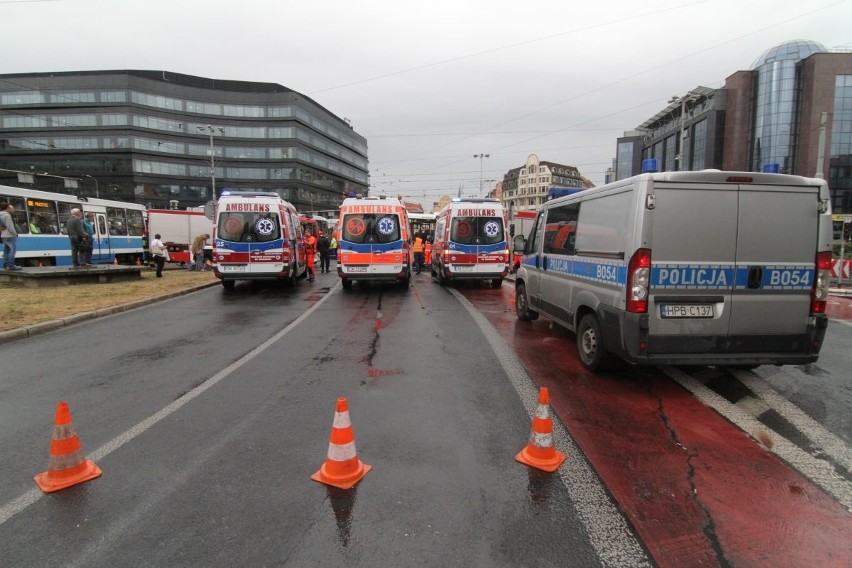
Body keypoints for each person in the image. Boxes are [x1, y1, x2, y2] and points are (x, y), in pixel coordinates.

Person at [0, 202, 21, 271]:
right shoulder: (7, 215)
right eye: (10, 208)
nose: (12, 209)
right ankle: (11, 265)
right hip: (9, 235)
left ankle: (6, 264)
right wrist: (15, 234)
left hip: (2, 235)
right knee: (12, 250)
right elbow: (10, 227)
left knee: (6, 250)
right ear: (7, 208)